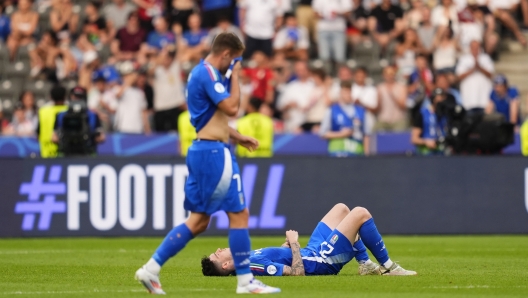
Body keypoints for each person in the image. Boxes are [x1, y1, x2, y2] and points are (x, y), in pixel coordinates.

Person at [135, 32, 280, 295]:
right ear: (225, 54)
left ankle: (151, 269)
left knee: (199, 222)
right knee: (239, 214)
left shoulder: (198, 75)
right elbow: (232, 107)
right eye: (234, 60)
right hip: (214, 154)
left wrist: (237, 137)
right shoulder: (208, 74)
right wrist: (235, 76)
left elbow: (209, 120)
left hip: (204, 149)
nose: (235, 65)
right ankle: (245, 281)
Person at [202, 203, 417, 276]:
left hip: (311, 251)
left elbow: (279, 260)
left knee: (341, 209)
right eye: (218, 254)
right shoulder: (252, 266)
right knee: (360, 213)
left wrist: (284, 247)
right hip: (320, 260)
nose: (220, 249)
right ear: (227, 264)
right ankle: (389, 267)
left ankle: (365, 264)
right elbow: (297, 272)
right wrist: (294, 243)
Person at [52, 86, 105, 156]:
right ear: (70, 98)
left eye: (80, 97)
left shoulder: (92, 115)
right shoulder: (61, 115)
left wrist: (89, 135)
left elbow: (101, 137)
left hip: (87, 152)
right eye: (74, 97)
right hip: (66, 152)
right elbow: (54, 137)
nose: (77, 100)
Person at [320, 81, 367, 157]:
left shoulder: (360, 110)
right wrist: (341, 134)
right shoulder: (332, 110)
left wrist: (366, 155)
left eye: (349, 92)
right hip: (337, 152)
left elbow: (366, 134)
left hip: (356, 152)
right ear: (340, 93)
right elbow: (323, 133)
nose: (347, 95)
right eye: (345, 92)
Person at [150, 46, 185, 132]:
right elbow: (150, 71)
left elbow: (180, 52)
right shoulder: (157, 70)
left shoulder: (175, 67)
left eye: (169, 57)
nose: (167, 60)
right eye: (165, 58)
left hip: (175, 106)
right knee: (160, 135)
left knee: (177, 133)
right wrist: (162, 54)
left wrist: (178, 34)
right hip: (160, 108)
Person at [410, 88, 455, 155]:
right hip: (426, 152)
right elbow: (414, 139)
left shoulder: (447, 114)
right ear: (433, 100)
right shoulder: (422, 114)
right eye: (438, 101)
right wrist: (426, 142)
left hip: (443, 152)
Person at [455, 40, 494, 113]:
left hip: (483, 100)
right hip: (469, 100)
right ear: (470, 48)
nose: (475, 50)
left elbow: (491, 74)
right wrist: (472, 70)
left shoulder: (486, 58)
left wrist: (479, 68)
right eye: (473, 47)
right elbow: (459, 76)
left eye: (477, 48)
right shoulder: (464, 59)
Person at [312, 0, 352, 65]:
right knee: (324, 57)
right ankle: (326, 74)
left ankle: (339, 74)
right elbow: (315, 12)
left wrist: (338, 13)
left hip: (338, 29)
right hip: (323, 29)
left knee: (340, 57)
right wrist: (324, 15)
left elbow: (349, 12)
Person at [38, 86, 68, 158]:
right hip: (65, 152)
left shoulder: (43, 111)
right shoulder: (68, 111)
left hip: (46, 152)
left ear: (50, 97)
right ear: (65, 97)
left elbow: (38, 131)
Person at [375, 65, 408, 132]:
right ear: (383, 75)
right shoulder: (380, 88)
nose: (389, 76)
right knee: (374, 131)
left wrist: (393, 96)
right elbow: (378, 107)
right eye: (387, 74)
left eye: (391, 74)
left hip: (398, 119)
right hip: (384, 119)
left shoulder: (402, 87)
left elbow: (403, 106)